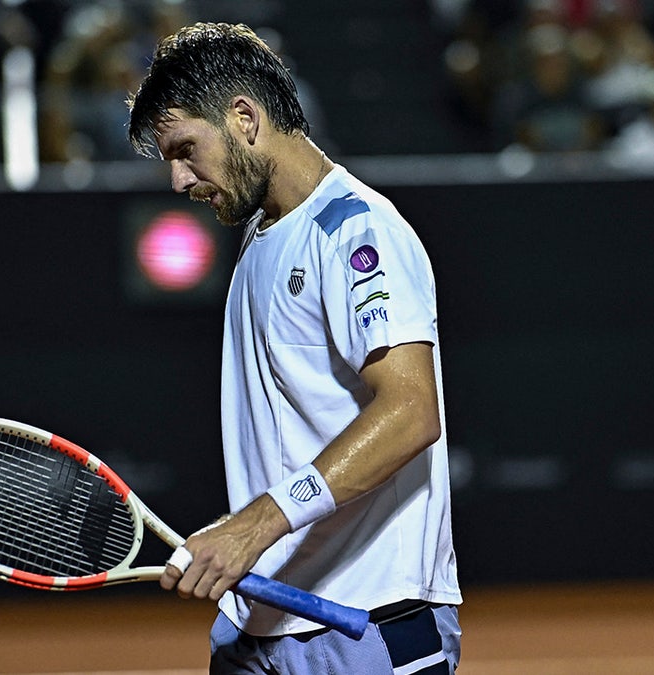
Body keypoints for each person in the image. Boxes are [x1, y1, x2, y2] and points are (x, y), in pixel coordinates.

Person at [126, 22, 462, 674]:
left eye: (186, 149)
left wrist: (253, 526)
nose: (178, 180)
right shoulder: (259, 235)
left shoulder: (356, 231)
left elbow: (413, 410)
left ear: (245, 118)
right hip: (261, 624)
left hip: (365, 624)